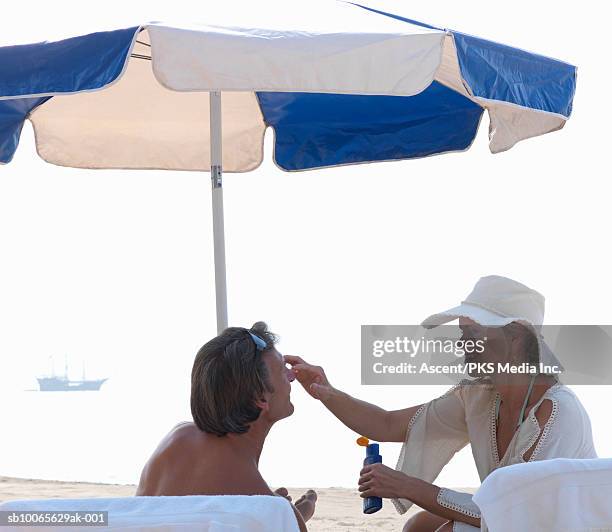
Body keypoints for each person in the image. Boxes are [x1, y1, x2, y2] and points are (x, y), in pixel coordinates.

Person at [286, 276, 597, 532]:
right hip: (511, 519)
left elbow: (515, 516)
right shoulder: (479, 397)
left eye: (472, 333)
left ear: (515, 338)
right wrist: (326, 391)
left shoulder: (558, 412)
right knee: (418, 527)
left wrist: (407, 486)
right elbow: (387, 424)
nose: (462, 344)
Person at [136, 322, 317, 532]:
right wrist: (294, 516)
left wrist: (280, 512)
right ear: (260, 398)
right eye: (281, 370)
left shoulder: (177, 437)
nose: (292, 376)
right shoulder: (259, 497)